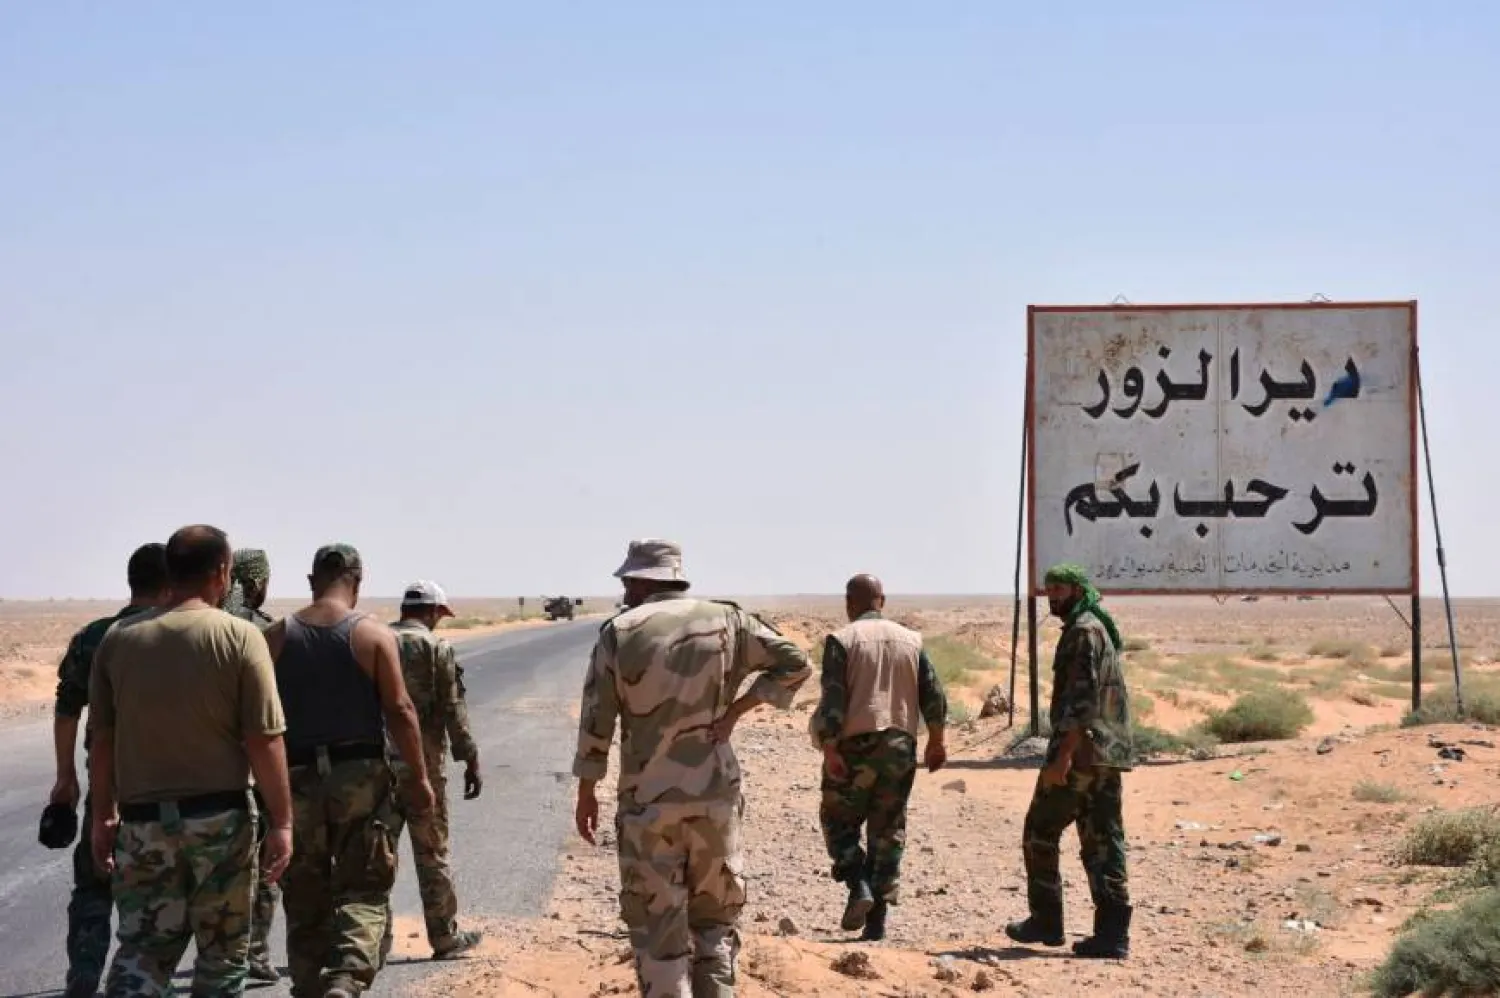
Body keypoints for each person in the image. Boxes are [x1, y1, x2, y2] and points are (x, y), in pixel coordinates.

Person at [573, 539, 813, 998]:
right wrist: (737, 711)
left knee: (658, 930)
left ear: (643, 580)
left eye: (628, 580)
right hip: (715, 799)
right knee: (714, 928)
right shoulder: (731, 621)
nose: (624, 589)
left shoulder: (619, 632)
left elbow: (596, 720)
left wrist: (587, 790)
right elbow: (795, 664)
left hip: (649, 805)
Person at [87, 525, 294, 996]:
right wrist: (282, 821)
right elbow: (264, 739)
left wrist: (104, 816)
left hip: (142, 827)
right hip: (220, 823)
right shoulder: (240, 637)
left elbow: (102, 740)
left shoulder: (118, 641)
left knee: (141, 951)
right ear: (222, 572)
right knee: (221, 959)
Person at [263, 543, 434, 998]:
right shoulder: (374, 636)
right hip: (358, 774)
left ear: (311, 581)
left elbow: (258, 722)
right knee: (364, 884)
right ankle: (347, 978)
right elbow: (399, 709)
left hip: (296, 776)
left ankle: (308, 985)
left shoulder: (277, 636)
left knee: (304, 890)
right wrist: (418, 777)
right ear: (357, 581)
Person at [49, 543, 171, 998]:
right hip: (163, 784)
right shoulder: (175, 637)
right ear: (168, 584)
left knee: (94, 884)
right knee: (158, 889)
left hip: (105, 780)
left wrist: (66, 776)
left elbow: (66, 709)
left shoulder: (94, 636)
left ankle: (83, 979)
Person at [1004, 563, 1136, 959]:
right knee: (1103, 840)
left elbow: (1081, 700)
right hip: (1107, 754)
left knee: (1039, 830)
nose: (1053, 596)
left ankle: (1046, 921)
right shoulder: (1096, 626)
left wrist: (1061, 756)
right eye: (1049, 590)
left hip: (1080, 755)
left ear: (1078, 590)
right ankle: (1113, 935)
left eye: (1060, 588)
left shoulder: (1082, 632)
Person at [809, 574, 949, 941]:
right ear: (882, 600)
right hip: (901, 745)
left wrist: (829, 747)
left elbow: (833, 700)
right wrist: (937, 740)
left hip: (856, 744)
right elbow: (933, 694)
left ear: (849, 602)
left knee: (838, 820)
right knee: (888, 830)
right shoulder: (912, 641)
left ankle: (858, 886)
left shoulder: (842, 640)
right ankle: (877, 924)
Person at [378, 579, 484, 963]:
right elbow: (453, 710)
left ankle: (374, 940)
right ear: (433, 611)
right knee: (432, 853)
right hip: (424, 768)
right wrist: (469, 757)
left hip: (378, 768)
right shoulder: (436, 648)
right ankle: (444, 937)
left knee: (378, 855)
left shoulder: (376, 641)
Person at [217, 547, 283, 983]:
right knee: (263, 866)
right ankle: (253, 953)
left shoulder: (196, 626)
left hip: (202, 767)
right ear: (256, 583)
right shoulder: (263, 632)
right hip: (252, 768)